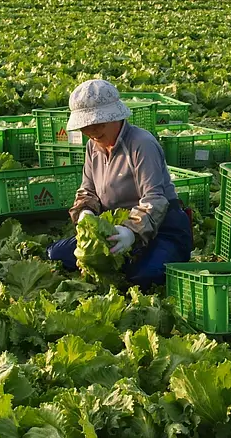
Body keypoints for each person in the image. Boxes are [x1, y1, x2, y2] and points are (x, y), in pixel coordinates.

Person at [45, 79, 193, 289]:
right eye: (86, 127)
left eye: (99, 124)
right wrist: (85, 212)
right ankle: (124, 260)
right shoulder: (92, 147)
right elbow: (87, 191)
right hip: (112, 231)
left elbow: (155, 200)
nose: (93, 131)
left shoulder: (141, 144)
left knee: (144, 276)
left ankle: (150, 258)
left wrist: (131, 232)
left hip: (161, 229)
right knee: (57, 254)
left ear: (116, 116)